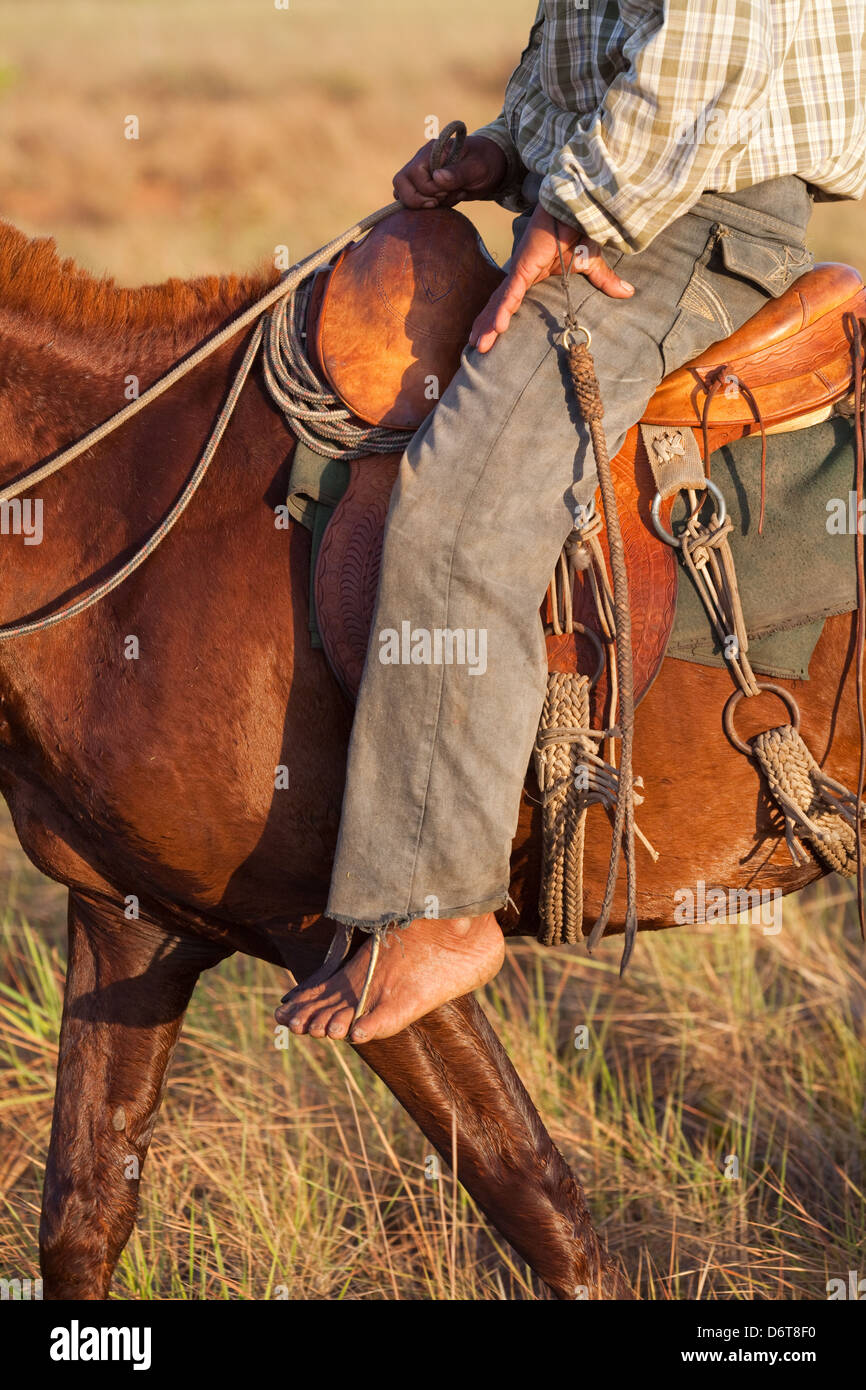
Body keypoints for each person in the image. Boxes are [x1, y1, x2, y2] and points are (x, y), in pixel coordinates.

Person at [278, 0, 866, 1043]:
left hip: (683, 224)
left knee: (461, 507)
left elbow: (719, 44)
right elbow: (595, 39)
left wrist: (582, 207)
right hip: (637, 194)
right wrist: (508, 157)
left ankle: (437, 905)